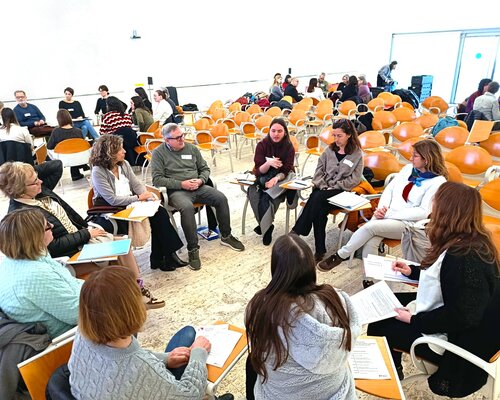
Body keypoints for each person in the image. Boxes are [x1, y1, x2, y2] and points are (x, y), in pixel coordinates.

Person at [367, 182, 500, 398]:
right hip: (454, 317)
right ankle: (393, 368)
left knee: (380, 322)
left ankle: (387, 379)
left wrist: (414, 320)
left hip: (452, 340)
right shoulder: (470, 240)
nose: (432, 208)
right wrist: (412, 271)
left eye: (435, 203)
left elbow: (462, 316)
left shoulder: (462, 257)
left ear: (447, 211)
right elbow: (446, 279)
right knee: (387, 301)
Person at [0, 161, 163, 309]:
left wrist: (23, 170)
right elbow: (51, 247)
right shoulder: (23, 216)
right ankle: (134, 297)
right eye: (34, 181)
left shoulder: (40, 192)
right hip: (70, 253)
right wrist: (86, 234)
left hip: (80, 240)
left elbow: (56, 165)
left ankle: (136, 293)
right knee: (119, 253)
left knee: (122, 245)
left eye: (38, 178)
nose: (40, 181)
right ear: (20, 190)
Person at [68, 266, 236, 400]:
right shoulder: (141, 368)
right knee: (190, 338)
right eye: (139, 288)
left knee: (187, 336)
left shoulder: (83, 333)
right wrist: (199, 353)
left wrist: (165, 359)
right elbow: (190, 395)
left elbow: (125, 358)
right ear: (132, 308)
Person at [245, 234, 361, 400]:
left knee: (252, 362)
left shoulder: (262, 306)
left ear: (276, 269)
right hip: (336, 393)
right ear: (310, 266)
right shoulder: (336, 299)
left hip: (282, 396)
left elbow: (260, 350)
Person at [318, 139, 447, 272]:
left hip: (408, 223)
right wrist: (382, 209)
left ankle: (340, 255)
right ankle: (369, 280)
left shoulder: (437, 182)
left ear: (427, 159)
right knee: (371, 242)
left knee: (370, 228)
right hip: (386, 213)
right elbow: (389, 189)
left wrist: (389, 214)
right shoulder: (408, 169)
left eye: (415, 156)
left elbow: (423, 212)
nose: (410, 158)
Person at [151, 123, 245, 270]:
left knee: (221, 198)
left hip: (198, 187)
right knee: (187, 208)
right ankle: (193, 248)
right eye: (177, 138)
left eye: (182, 135)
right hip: (177, 191)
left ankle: (226, 236)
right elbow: (157, 179)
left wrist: (201, 180)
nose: (182, 139)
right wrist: (181, 184)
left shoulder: (191, 148)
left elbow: (205, 168)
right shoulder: (158, 153)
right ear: (167, 140)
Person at [90, 134, 187, 272]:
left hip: (129, 204)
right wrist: (139, 197)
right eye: (120, 149)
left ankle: (167, 256)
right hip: (111, 210)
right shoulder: (98, 171)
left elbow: (136, 185)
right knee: (153, 217)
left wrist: (148, 197)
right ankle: (161, 258)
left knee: (160, 212)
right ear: (110, 153)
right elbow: (112, 199)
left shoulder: (124, 164)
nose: (124, 151)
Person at [0, 209, 82, 339]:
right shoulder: (35, 275)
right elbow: (77, 314)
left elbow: (70, 283)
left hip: (77, 311)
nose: (52, 225)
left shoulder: (13, 261)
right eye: (47, 225)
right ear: (36, 237)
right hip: (69, 337)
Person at [291, 119, 363, 261]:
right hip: (323, 189)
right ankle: (320, 251)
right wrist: (324, 186)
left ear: (349, 135)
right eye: (334, 135)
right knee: (319, 209)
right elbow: (318, 172)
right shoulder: (329, 150)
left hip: (341, 191)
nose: (336, 139)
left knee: (316, 198)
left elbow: (355, 179)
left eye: (339, 136)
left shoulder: (357, 154)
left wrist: (335, 186)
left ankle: (297, 231)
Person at [248, 118, 296, 246]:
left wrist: (275, 179)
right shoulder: (262, 145)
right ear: (269, 131)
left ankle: (264, 228)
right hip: (264, 176)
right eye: (273, 131)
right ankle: (266, 225)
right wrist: (268, 163)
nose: (276, 134)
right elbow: (258, 170)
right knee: (253, 193)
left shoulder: (289, 147)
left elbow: (286, 170)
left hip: (282, 178)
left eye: (280, 131)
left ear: (285, 132)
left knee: (267, 196)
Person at [47, 109, 89, 181]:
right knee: (74, 151)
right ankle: (77, 173)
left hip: (63, 159)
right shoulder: (78, 131)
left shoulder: (56, 132)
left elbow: (49, 146)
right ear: (69, 118)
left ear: (58, 119)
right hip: (79, 158)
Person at [100, 96, 138, 165]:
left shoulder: (107, 116)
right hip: (131, 142)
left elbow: (102, 132)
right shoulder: (126, 115)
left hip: (116, 143)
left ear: (108, 106)